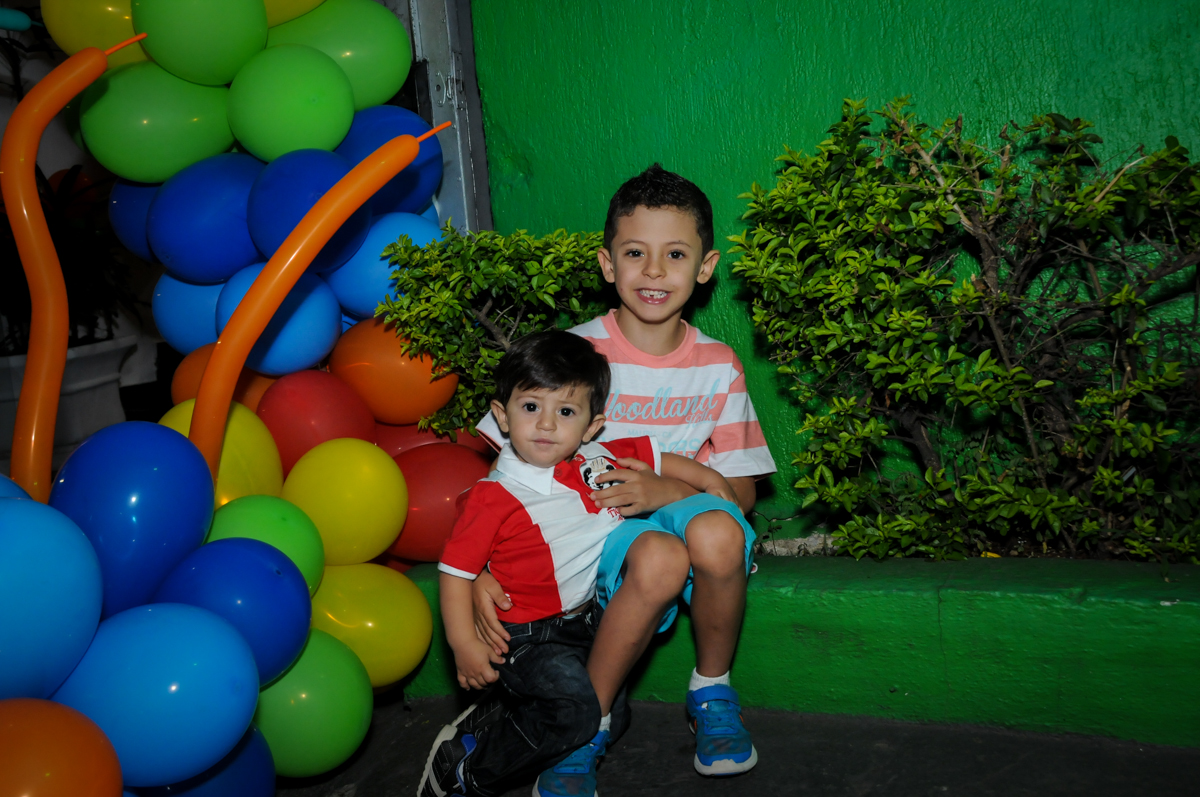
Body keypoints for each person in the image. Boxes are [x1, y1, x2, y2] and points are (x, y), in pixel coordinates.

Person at [471, 164, 777, 788]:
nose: (655, 271)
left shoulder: (718, 365)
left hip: (688, 511)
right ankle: (588, 722)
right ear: (608, 264)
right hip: (591, 537)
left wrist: (667, 490)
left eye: (676, 254)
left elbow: (740, 492)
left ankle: (712, 690)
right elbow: (500, 472)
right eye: (636, 253)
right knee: (661, 557)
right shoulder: (571, 355)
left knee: (720, 532)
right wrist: (478, 567)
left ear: (706, 267)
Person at [419, 329, 756, 797]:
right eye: (530, 407)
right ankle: (466, 772)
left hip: (583, 620)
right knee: (577, 716)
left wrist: (711, 482)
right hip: (527, 633)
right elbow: (455, 572)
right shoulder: (493, 495)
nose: (546, 425)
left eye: (565, 412)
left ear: (592, 426)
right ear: (501, 414)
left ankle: (511, 711)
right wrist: (464, 644)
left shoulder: (594, 458)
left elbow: (661, 459)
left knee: (612, 716)